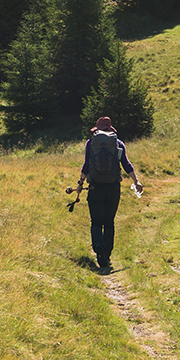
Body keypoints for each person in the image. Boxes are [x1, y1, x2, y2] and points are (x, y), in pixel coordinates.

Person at [75, 116, 142, 273]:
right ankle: (107, 253)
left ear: (97, 129)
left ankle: (98, 245)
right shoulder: (118, 144)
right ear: (110, 129)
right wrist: (136, 181)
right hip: (113, 188)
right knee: (109, 221)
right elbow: (126, 164)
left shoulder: (91, 143)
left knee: (96, 221)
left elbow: (86, 165)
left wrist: (80, 184)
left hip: (95, 187)